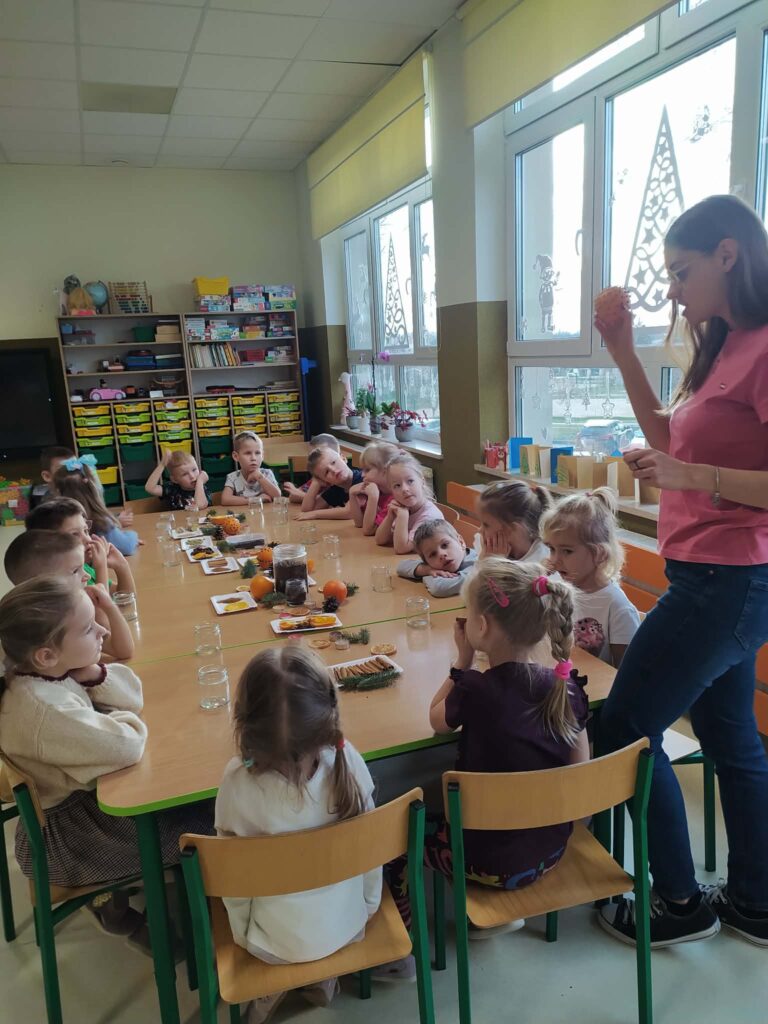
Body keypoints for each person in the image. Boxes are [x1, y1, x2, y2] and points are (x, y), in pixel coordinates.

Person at [594, 194, 768, 947]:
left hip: (729, 581)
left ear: (728, 254)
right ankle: (757, 904)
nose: (672, 290)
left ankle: (678, 904)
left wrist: (692, 478)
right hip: (710, 576)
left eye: (681, 271)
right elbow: (671, 438)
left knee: (625, 727)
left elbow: (692, 467)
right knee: (731, 737)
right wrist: (621, 349)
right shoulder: (723, 345)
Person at [386, 558, 589, 965]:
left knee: (392, 844)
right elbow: (581, 779)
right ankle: (488, 917)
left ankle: (398, 952)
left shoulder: (476, 689)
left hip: (482, 860)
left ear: (481, 626)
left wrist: (462, 661)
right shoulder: (565, 689)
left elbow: (436, 720)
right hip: (550, 851)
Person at [0, 578, 213, 939]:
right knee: (216, 823)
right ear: (46, 655)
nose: (103, 631)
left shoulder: (49, 674)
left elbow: (133, 696)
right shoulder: (44, 710)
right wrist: (119, 719)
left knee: (203, 801)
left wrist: (95, 675)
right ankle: (208, 926)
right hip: (72, 841)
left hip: (81, 812)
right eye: (88, 628)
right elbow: (129, 745)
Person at [215, 646, 380, 1022]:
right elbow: (371, 855)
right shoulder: (349, 761)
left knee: (277, 922)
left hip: (270, 943)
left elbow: (233, 884)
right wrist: (368, 907)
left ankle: (272, 986)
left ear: (244, 723)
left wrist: (244, 936)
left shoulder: (237, 786)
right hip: (349, 926)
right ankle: (323, 975)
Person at [540, 488, 640, 667]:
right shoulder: (556, 588)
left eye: (567, 551)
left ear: (599, 554)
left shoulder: (617, 607)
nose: (554, 560)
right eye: (552, 549)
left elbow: (624, 672)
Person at [3, 530, 134, 662]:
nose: (87, 576)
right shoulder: (47, 622)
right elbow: (121, 650)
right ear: (41, 582)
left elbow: (123, 650)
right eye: (75, 570)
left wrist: (110, 607)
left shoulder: (73, 607)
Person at [25, 496, 136, 595]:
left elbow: (125, 599)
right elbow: (102, 610)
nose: (88, 539)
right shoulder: (63, 583)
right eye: (74, 534)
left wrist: (122, 566)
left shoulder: (85, 569)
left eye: (86, 531)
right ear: (49, 545)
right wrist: (101, 567)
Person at [53, 461, 140, 557]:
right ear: (92, 488)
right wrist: (133, 535)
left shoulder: (58, 522)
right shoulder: (101, 522)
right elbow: (127, 546)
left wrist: (116, 521)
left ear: (59, 493)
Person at [375, 454, 444, 553]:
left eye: (410, 481)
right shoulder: (403, 507)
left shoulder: (429, 516)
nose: (404, 489)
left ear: (422, 481)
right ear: (392, 491)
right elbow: (379, 540)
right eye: (397, 485)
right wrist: (390, 517)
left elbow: (401, 548)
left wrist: (402, 517)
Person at [397, 519, 478, 598]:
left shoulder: (478, 565)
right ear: (426, 561)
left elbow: (438, 588)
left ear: (461, 542)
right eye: (433, 554)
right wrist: (428, 570)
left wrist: (426, 575)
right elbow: (401, 566)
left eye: (444, 545)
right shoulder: (439, 563)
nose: (441, 555)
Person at [477, 480, 553, 561]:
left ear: (512, 529)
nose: (479, 530)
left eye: (486, 525)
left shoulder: (539, 562)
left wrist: (491, 562)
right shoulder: (491, 548)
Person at [295, 447, 362, 522]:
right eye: (326, 472)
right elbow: (307, 510)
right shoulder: (336, 489)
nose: (333, 470)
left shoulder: (363, 479)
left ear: (343, 458)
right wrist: (316, 483)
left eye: (333, 462)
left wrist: (315, 514)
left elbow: (349, 512)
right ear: (326, 481)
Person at [220, 431, 281, 506]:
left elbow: (277, 496)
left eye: (257, 453)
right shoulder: (232, 477)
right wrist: (256, 500)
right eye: (248, 453)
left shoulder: (267, 473)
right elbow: (225, 500)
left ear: (262, 456)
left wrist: (259, 477)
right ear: (236, 456)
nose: (253, 458)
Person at [349, 441, 397, 535]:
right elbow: (359, 523)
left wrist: (373, 497)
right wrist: (352, 494)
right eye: (362, 470)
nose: (362, 475)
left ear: (385, 471)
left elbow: (369, 530)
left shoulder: (395, 500)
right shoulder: (378, 491)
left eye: (367, 470)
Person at [145, 449, 210, 511]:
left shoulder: (201, 487)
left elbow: (200, 505)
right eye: (185, 474)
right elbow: (150, 488)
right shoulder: (171, 489)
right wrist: (162, 464)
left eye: (194, 470)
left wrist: (200, 482)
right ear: (174, 480)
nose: (192, 476)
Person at [283, 434, 340, 504]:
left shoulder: (338, 479)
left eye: (318, 455)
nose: (312, 460)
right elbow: (293, 497)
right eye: (310, 456)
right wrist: (298, 492)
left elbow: (327, 503)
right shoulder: (318, 478)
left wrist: (300, 494)